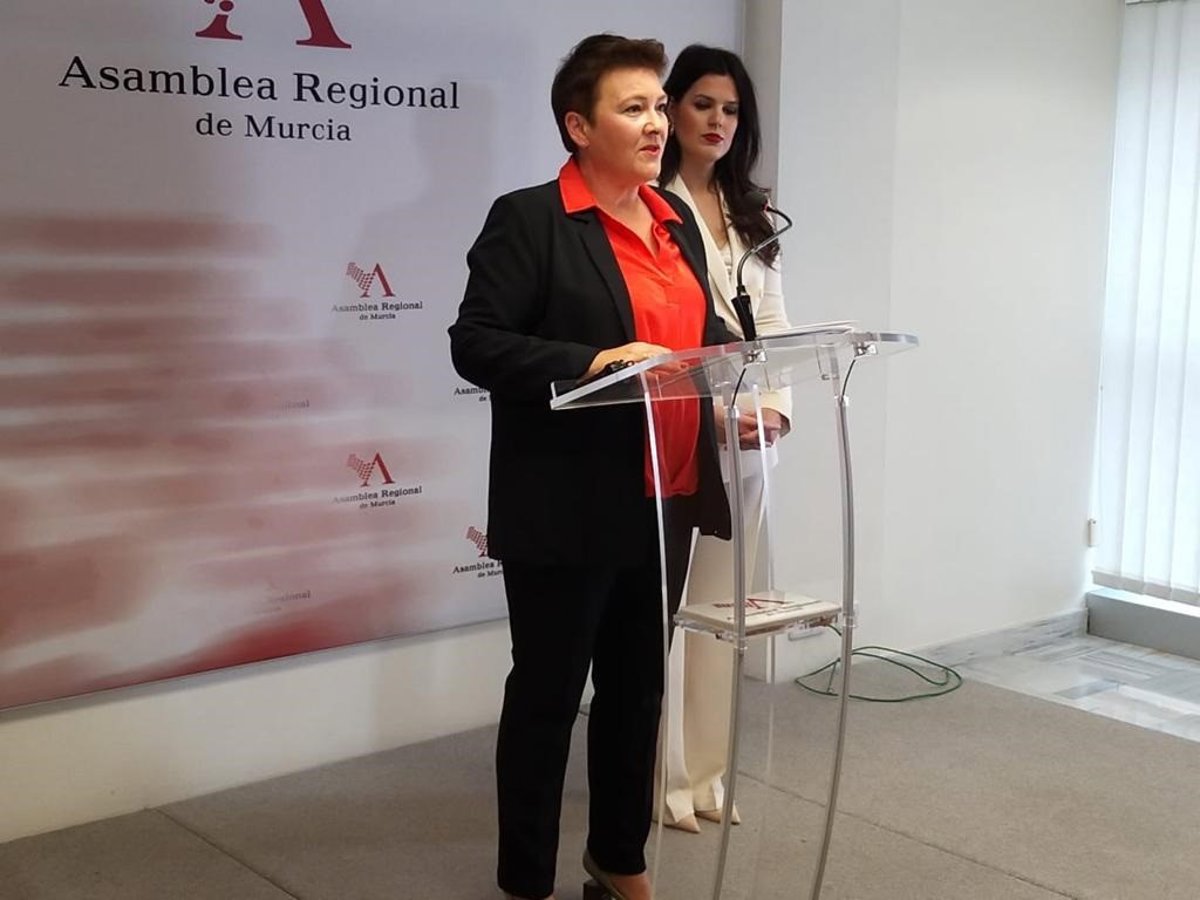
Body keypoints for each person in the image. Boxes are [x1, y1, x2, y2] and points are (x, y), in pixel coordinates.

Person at [448, 34, 735, 900]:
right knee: (547, 697)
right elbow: (477, 342)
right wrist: (594, 361)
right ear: (579, 126)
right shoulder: (532, 218)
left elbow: (702, 337)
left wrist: (738, 383)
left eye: (660, 106)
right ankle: (526, 881)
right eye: (634, 108)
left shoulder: (675, 220)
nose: (658, 124)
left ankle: (618, 858)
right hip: (567, 502)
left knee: (638, 694)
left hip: (667, 497)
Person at [655, 43, 794, 833]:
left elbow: (772, 319)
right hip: (682, 430)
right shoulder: (647, 203)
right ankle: (664, 780)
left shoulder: (754, 211)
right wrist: (707, 408)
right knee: (671, 614)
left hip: (752, 435)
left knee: (723, 613)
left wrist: (774, 409)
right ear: (671, 108)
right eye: (702, 104)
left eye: (731, 109)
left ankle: (708, 774)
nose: (717, 121)